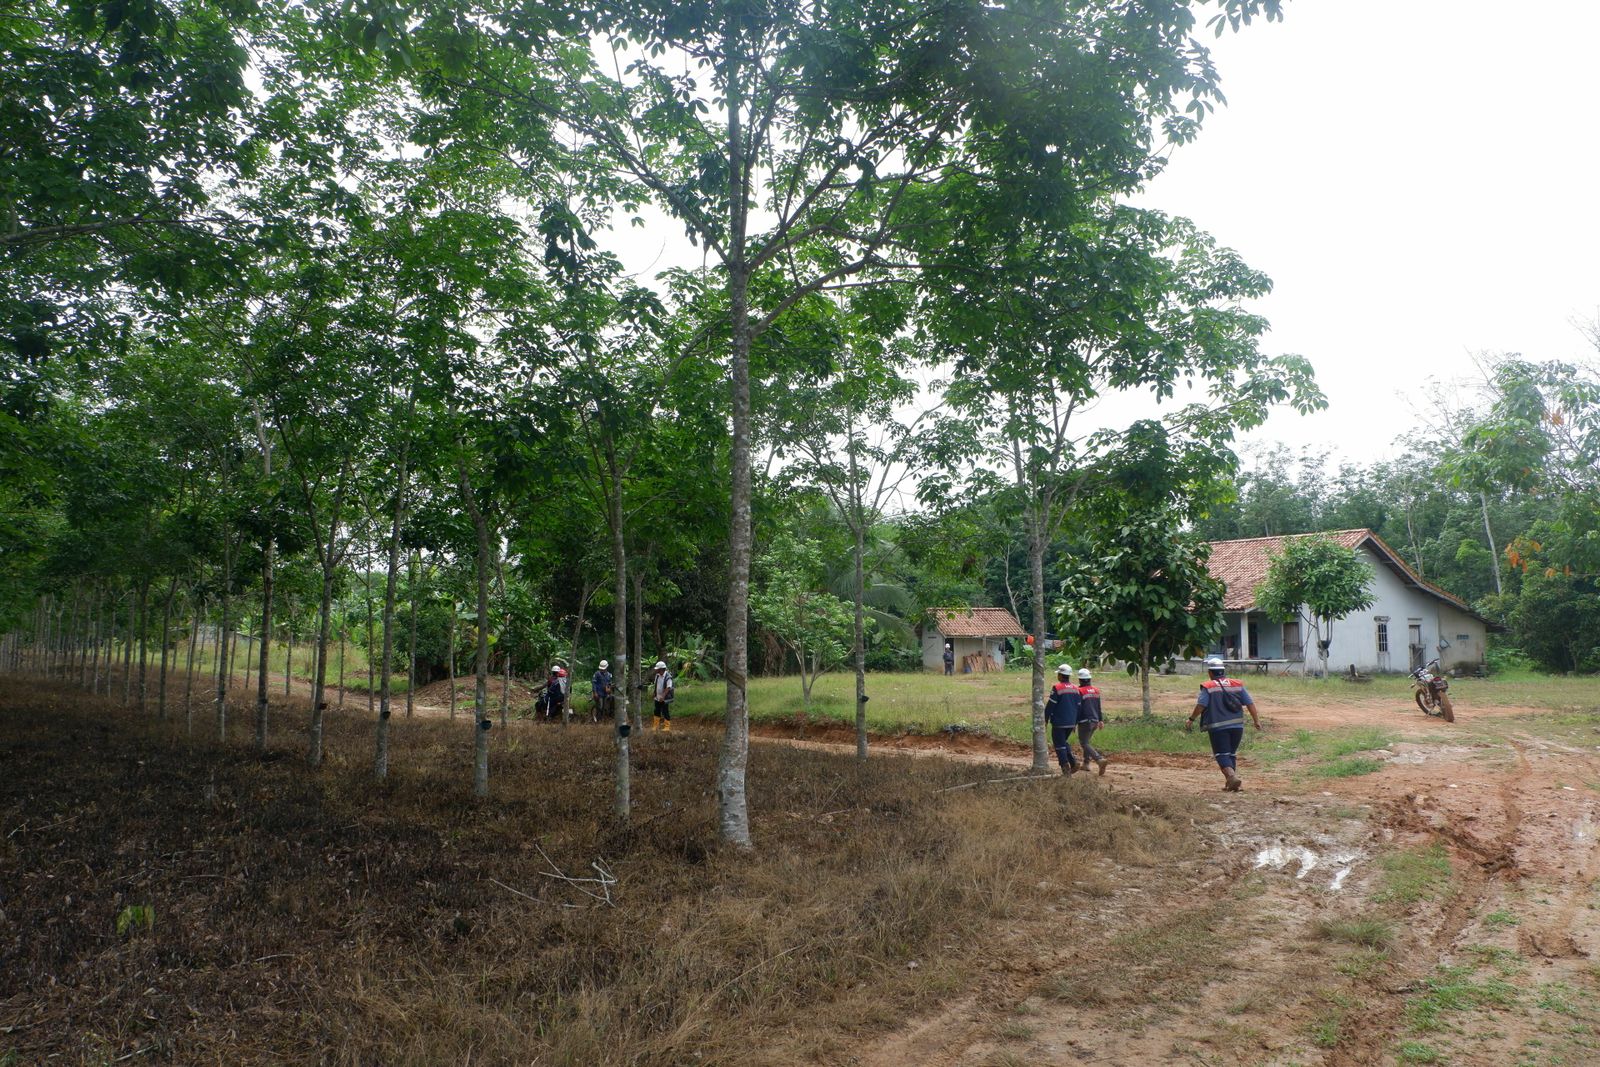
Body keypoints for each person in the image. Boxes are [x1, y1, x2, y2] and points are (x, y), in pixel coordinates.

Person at [1186, 655, 1262, 791]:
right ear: (1223, 671)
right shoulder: (1237, 684)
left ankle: (1232, 777)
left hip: (1218, 727)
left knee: (1221, 754)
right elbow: (1250, 703)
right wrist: (1256, 721)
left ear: (1210, 673)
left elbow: (1201, 705)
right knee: (1231, 754)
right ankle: (1232, 785)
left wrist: (1191, 719)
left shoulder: (1208, 686)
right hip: (1237, 726)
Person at [1044, 663, 1081, 775]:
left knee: (1059, 745)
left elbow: (1050, 705)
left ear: (1060, 675)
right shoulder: (1076, 689)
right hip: (1071, 722)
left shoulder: (1057, 688)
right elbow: (1079, 707)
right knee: (1063, 742)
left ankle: (1066, 768)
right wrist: (1075, 723)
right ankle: (1073, 762)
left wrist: (1045, 720)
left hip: (1059, 722)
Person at [1075, 667, 1109, 776]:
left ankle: (1099, 759)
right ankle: (1086, 764)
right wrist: (1100, 720)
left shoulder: (1079, 691)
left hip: (1085, 721)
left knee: (1084, 743)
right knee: (1087, 742)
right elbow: (1098, 707)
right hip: (1095, 721)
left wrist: (1074, 722)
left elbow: (1078, 708)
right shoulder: (1096, 690)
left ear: (1080, 680)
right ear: (1089, 679)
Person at [650, 660, 675, 732]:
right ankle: (655, 726)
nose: (656, 670)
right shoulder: (657, 676)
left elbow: (668, 688)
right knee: (656, 711)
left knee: (665, 711)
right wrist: (654, 693)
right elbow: (656, 685)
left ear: (661, 669)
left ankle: (667, 727)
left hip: (664, 698)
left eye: (657, 669)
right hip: (657, 697)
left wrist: (663, 696)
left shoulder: (668, 677)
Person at [591, 659, 614, 724]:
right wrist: (595, 692)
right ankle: (598, 720)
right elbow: (594, 684)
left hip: (606, 693)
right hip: (599, 693)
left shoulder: (609, 675)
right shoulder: (597, 674)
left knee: (605, 707)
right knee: (600, 706)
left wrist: (609, 688)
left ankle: (603, 719)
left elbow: (610, 683)